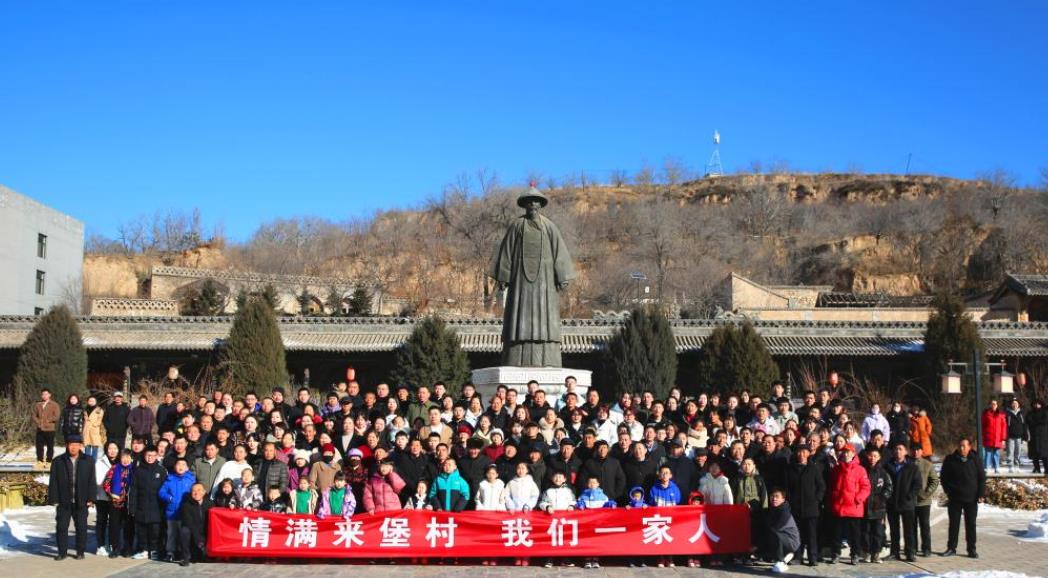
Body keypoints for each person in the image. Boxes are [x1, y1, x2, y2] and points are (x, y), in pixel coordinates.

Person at [46, 434, 96, 560]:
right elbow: (53, 481)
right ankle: (62, 552)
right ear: (67, 446)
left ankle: (80, 551)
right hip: (64, 501)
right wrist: (54, 499)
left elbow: (92, 480)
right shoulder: (58, 461)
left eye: (76, 445)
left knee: (81, 527)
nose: (73, 447)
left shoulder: (88, 460)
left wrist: (91, 498)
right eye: (71, 445)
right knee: (62, 527)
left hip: (82, 500)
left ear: (80, 446)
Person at [940, 438, 986, 559]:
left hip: (971, 498)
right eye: (960, 446)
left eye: (964, 446)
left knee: (971, 524)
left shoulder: (975, 459)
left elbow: (981, 478)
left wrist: (980, 494)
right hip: (955, 497)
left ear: (969, 447)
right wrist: (949, 491)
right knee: (954, 524)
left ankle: (971, 549)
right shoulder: (950, 459)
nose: (961, 448)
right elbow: (943, 477)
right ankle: (951, 548)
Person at [827, 445, 870, 565]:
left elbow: (866, 487)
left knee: (855, 535)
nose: (846, 454)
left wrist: (858, 499)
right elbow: (831, 486)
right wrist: (833, 499)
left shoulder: (860, 470)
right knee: (836, 534)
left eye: (848, 452)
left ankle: (855, 554)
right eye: (844, 452)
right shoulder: (836, 469)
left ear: (853, 454)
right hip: (839, 506)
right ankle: (835, 554)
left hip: (854, 507)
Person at [784, 445, 824, 567]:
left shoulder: (814, 468)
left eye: (804, 452)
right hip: (795, 507)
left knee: (812, 534)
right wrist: (790, 501)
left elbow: (821, 486)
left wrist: (817, 499)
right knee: (797, 534)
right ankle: (798, 557)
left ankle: (813, 557)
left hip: (811, 507)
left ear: (808, 454)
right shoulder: (790, 469)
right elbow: (786, 487)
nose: (801, 455)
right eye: (799, 452)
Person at [130, 445, 167, 560]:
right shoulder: (138, 470)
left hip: (156, 507)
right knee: (141, 530)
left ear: (157, 456)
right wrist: (132, 506)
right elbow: (133, 490)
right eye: (147, 455)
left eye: (152, 455)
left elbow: (165, 489)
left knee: (155, 531)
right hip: (141, 506)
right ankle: (144, 550)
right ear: (144, 455)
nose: (150, 458)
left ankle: (154, 551)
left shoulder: (161, 471)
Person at [885, 442, 921, 562]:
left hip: (907, 503)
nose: (897, 451)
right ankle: (894, 552)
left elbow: (917, 485)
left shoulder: (912, 467)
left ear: (905, 451)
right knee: (894, 530)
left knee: (909, 530)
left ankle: (910, 552)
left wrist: (910, 496)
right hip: (892, 503)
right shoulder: (887, 466)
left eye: (900, 449)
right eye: (895, 449)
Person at [158, 458, 196, 562]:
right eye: (178, 464)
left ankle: (183, 553)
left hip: (185, 513)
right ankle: (170, 552)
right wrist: (169, 498)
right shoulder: (169, 479)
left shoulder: (191, 479)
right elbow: (161, 492)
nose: (181, 467)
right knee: (171, 534)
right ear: (175, 467)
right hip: (172, 512)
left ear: (187, 468)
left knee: (183, 534)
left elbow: (196, 492)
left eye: (183, 464)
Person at [538, 469, 576, 568]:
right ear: (552, 478)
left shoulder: (568, 491)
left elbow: (574, 501)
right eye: (556, 476)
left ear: (564, 479)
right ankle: (549, 558)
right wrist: (547, 507)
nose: (558, 478)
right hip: (552, 521)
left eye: (560, 477)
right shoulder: (548, 491)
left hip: (564, 520)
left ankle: (565, 559)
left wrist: (572, 506)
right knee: (551, 540)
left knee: (565, 539)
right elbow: (542, 502)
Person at [575, 475, 616, 568]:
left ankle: (596, 559)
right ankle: (587, 559)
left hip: (598, 522)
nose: (592, 484)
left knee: (596, 540)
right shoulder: (583, 495)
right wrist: (580, 506)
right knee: (587, 540)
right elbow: (579, 502)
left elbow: (606, 504)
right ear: (587, 484)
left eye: (594, 482)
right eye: (590, 482)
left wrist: (611, 504)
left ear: (598, 484)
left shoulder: (602, 495)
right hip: (587, 522)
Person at [759, 489, 801, 573]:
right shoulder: (772, 509)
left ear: (783, 499)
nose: (774, 499)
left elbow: (776, 529)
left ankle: (781, 561)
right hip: (782, 539)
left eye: (777, 496)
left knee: (774, 533)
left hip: (792, 542)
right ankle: (777, 556)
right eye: (772, 496)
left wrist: (758, 544)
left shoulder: (784, 511)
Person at [862, 447, 892, 564]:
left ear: (879, 457)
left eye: (875, 456)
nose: (872, 458)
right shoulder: (863, 470)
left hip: (878, 508)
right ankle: (866, 553)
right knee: (865, 532)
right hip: (865, 507)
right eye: (870, 455)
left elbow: (889, 487)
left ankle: (876, 554)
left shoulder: (883, 472)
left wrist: (882, 498)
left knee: (878, 532)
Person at [102, 449, 135, 557]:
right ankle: (115, 548)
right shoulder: (115, 468)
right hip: (115, 502)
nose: (125, 460)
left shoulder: (134, 469)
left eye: (127, 457)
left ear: (131, 458)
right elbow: (106, 482)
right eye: (123, 457)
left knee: (128, 526)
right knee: (114, 526)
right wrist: (111, 493)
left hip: (129, 503)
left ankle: (127, 548)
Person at [93, 441, 119, 557]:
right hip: (102, 497)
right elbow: (98, 480)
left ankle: (114, 545)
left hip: (116, 499)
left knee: (114, 522)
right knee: (101, 521)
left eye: (115, 448)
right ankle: (101, 545)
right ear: (106, 450)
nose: (112, 451)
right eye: (110, 448)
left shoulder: (121, 462)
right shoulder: (99, 462)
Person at [177, 482, 212, 567]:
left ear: (204, 492)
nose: (196, 493)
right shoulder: (186, 505)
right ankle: (186, 558)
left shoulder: (210, 504)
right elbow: (190, 524)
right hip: (193, 534)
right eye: (193, 491)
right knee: (184, 530)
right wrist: (199, 541)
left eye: (199, 490)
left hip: (205, 533)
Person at [912, 444, 939, 557]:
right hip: (911, 501)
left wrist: (926, 493)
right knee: (911, 526)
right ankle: (912, 547)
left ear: (922, 451)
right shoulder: (907, 464)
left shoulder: (927, 464)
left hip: (924, 501)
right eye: (913, 449)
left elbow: (934, 481)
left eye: (918, 450)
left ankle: (926, 548)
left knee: (924, 526)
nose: (915, 452)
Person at [32, 388, 60, 465]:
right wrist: (38, 422)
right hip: (40, 429)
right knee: (39, 446)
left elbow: (56, 416)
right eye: (43, 394)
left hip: (50, 429)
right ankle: (40, 460)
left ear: (49, 395)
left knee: (50, 446)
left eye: (46, 394)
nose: (44, 396)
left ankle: (49, 461)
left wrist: (47, 420)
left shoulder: (54, 405)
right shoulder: (38, 404)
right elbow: (34, 415)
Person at [980, 399, 1008, 473]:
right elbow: (982, 426)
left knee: (996, 453)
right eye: (992, 404)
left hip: (997, 438)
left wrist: (1003, 439)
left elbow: (1003, 427)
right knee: (988, 453)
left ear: (997, 405)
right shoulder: (986, 414)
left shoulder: (1001, 415)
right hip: (988, 437)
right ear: (990, 405)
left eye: (995, 404)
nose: (993, 405)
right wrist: (982, 435)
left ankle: (996, 468)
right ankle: (986, 468)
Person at [1005, 398, 1027, 472]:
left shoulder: (1021, 414)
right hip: (1010, 436)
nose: (1014, 405)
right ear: (1011, 405)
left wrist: (1025, 435)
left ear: (1018, 405)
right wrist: (1006, 436)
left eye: (1016, 404)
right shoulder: (1008, 414)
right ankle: (1010, 466)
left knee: (1018, 452)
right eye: (1013, 403)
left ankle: (1017, 465)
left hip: (1019, 436)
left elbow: (1024, 425)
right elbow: (1006, 426)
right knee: (1010, 452)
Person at [1029, 400, 1048, 474]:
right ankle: (1037, 468)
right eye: (1035, 404)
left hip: (1044, 437)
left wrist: (1035, 422)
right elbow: (1028, 420)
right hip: (1033, 436)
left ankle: (1047, 469)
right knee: (1034, 454)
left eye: (1038, 404)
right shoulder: (1030, 413)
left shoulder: (1045, 412)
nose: (1036, 405)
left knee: (1045, 454)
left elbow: (1044, 421)